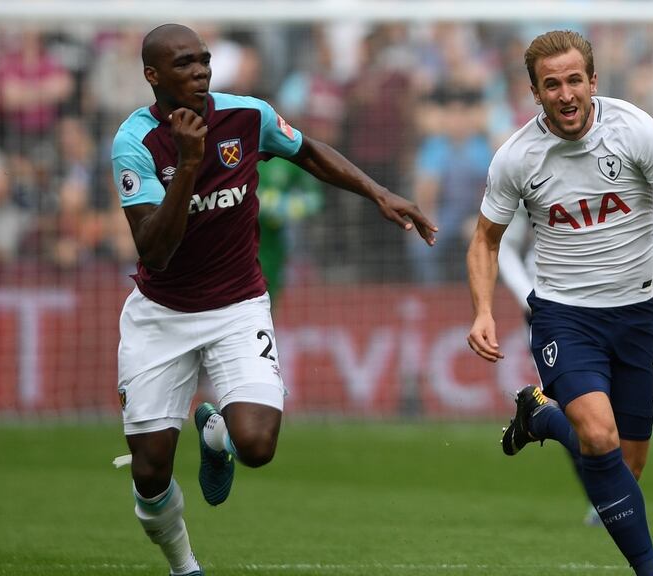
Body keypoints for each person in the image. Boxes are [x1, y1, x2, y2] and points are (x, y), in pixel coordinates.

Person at [112, 24, 436, 576]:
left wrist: (377, 192)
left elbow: (307, 150)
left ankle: (214, 434)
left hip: (238, 305)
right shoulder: (135, 144)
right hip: (161, 314)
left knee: (257, 445)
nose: (200, 72)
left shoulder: (247, 117)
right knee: (149, 474)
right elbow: (156, 251)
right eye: (185, 64)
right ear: (153, 76)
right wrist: (189, 165)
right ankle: (185, 566)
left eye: (204, 61)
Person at [466, 30, 653, 576]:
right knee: (598, 436)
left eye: (574, 80)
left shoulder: (635, 131)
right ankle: (652, 570)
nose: (565, 93)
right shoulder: (517, 158)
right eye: (551, 84)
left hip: (635, 313)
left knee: (626, 464)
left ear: (593, 81)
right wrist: (483, 310)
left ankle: (541, 418)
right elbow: (485, 238)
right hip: (563, 315)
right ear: (535, 92)